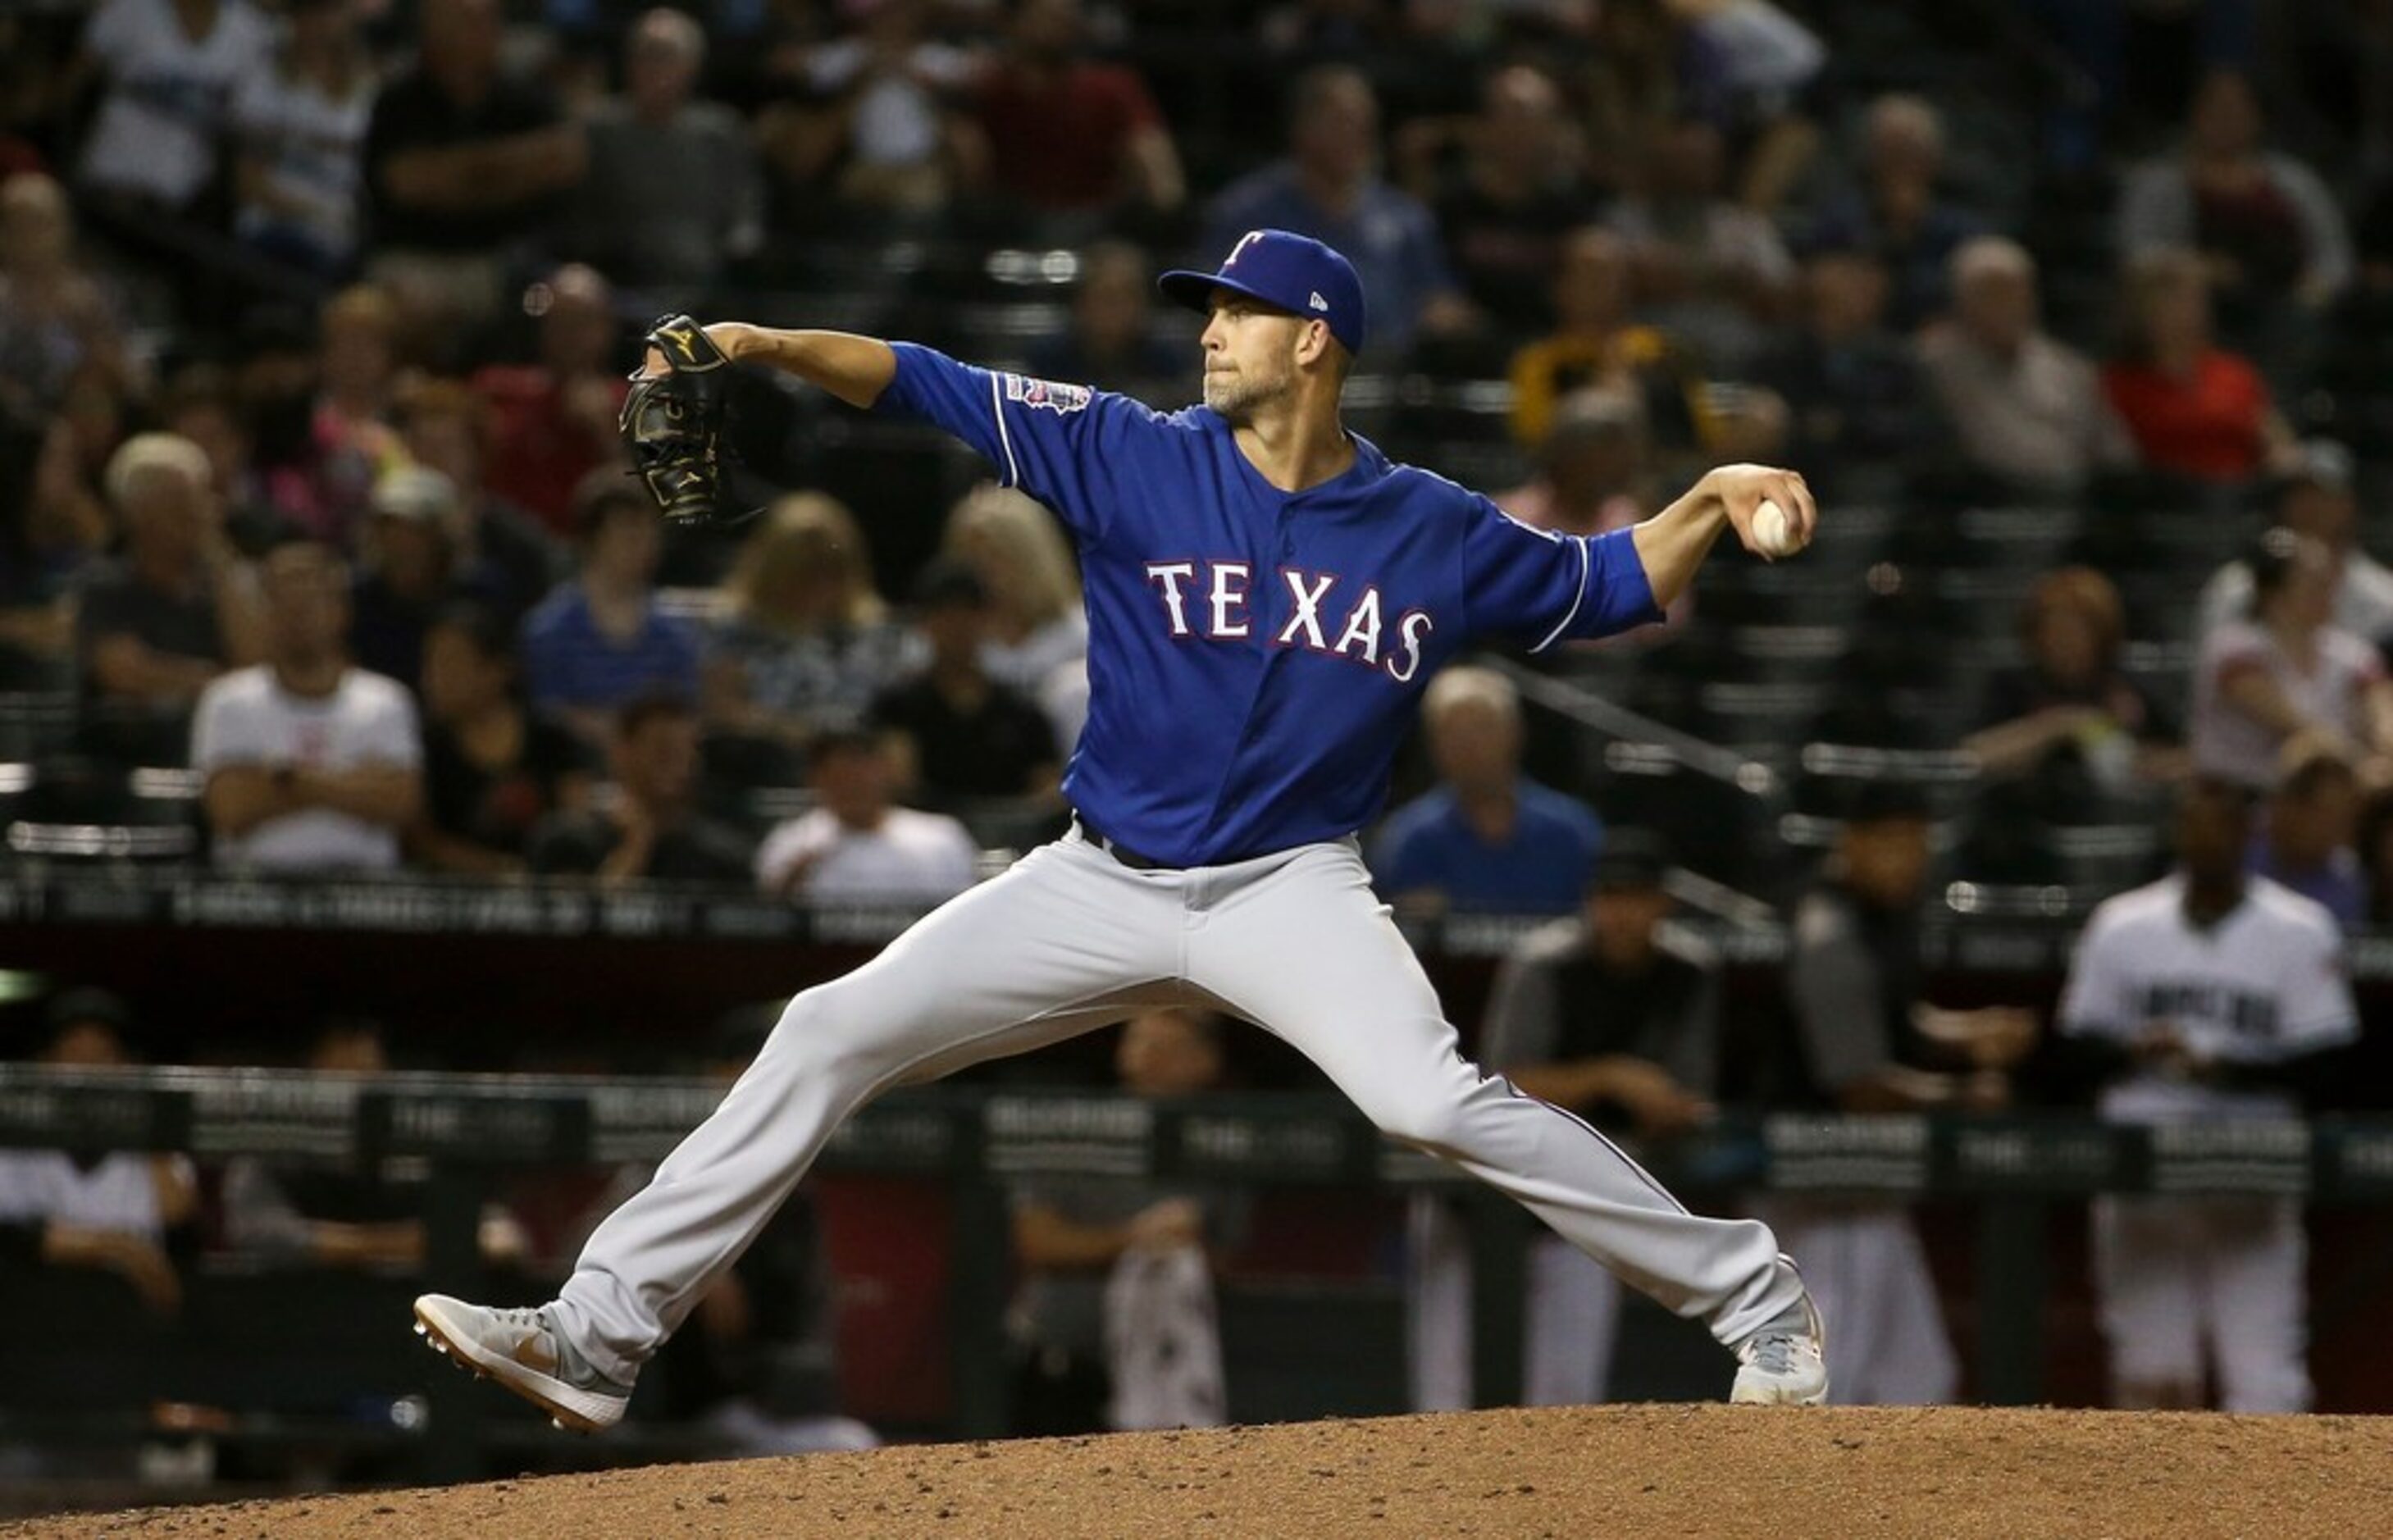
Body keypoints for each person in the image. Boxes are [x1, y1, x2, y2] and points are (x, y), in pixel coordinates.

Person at [412, 226, 1830, 1433]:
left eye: (1234, 310)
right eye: (1203, 308)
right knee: (827, 1027)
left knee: (1428, 1102)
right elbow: (919, 379)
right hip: (1097, 878)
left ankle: (1759, 1306)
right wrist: (760, 340)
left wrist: (1710, 495)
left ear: (1316, 340)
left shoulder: (1428, 525)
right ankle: (595, 1334)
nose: (1208, 330)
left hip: (1289, 889)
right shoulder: (1126, 450)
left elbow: (1601, 583)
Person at [2057, 777, 2358, 1412]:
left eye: (2222, 825)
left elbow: (2332, 1067)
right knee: (2152, 1374)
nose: (2207, 837)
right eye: (2195, 823)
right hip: (2142, 1171)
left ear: (2248, 833)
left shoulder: (2299, 928)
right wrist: (2136, 1051)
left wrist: (2226, 1067)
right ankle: (2154, 1515)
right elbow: (2068, 1055)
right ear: (2176, 831)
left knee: (2264, 1381)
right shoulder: (2121, 924)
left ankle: (2269, 1515)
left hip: (2252, 1167)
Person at [1411, 831, 1720, 1411]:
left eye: (1635, 896)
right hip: (1478, 1199)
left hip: (1580, 1203)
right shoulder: (1546, 964)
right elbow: (1505, 1085)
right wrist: (1613, 1077)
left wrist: (1667, 1110)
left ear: (1663, 903)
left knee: (1567, 1401)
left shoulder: (1688, 973)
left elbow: (1688, 1094)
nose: (1621, 911)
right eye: (1609, 896)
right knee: (1446, 1397)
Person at [1773, 781, 2038, 1405]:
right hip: (1823, 1190)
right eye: (1893, 845)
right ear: (1852, 845)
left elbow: (1895, 1019)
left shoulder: (1876, 918)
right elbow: (1861, 1087)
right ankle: (1788, 1501)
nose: (1909, 861)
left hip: (1868, 1192)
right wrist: (1961, 1096)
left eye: (1918, 846)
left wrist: (1970, 1034)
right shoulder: (1830, 934)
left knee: (1917, 1381)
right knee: (1833, 1383)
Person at [1008, 1007, 1235, 1435]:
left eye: (1167, 1046)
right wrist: (1133, 1237)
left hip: (1170, 1366)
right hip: (1067, 1362)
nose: (1148, 1056)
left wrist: (1185, 1244)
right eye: (1140, 1041)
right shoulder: (1077, 1129)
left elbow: (1230, 1262)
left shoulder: (1221, 1143)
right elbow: (1036, 1241)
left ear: (1206, 1061)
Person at [1200, 68, 1473, 358]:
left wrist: (1443, 318)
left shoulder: (1405, 219)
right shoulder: (1248, 214)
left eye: (1365, 124)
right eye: (1341, 123)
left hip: (1392, 382)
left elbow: (1440, 299)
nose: (1357, 135)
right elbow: (1216, 307)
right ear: (1301, 128)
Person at [360, 0, 586, 341]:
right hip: (416, 257)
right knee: (395, 310)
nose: (482, 32)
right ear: (432, 31)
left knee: (575, 300)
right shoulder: (399, 99)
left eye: (488, 21)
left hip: (508, 260)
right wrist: (512, 171)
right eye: (466, 22)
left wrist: (456, 174)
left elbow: (566, 159)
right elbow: (407, 184)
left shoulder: (527, 95)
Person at [193, 540, 425, 873]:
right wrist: (355, 783)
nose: (297, 614)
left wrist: (286, 778)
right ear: (265, 612)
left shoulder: (387, 701)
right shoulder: (228, 700)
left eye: (309, 600)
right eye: (283, 600)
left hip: (364, 895)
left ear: (341, 610)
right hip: (252, 895)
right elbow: (229, 809)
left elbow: (400, 804)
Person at [222, 1017, 528, 1269]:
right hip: (296, 1322)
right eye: (340, 1076)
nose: (355, 1087)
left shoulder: (411, 1154)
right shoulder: (274, 1150)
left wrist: (463, 1240)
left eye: (367, 1074)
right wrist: (412, 1243)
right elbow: (262, 1237)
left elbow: (504, 1238)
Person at [0, 989, 197, 1319]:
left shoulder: (149, 1145)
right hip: (30, 1315)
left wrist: (144, 1120)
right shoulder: (14, 1139)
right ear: (44, 1064)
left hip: (126, 1318)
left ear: (127, 1067)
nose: (87, 1070)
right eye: (73, 1054)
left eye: (103, 1056)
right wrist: (117, 1248)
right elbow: (11, 1237)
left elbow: (175, 1214)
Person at [75, 433, 265, 763]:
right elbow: (123, 672)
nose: (197, 513)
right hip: (127, 756)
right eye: (179, 502)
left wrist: (219, 558)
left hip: (220, 751)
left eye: (201, 498)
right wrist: (218, 683)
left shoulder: (224, 586)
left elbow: (257, 664)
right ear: (137, 515)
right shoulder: (107, 586)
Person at [1370, 664, 1604, 918]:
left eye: (1481, 728)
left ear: (1515, 732)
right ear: (1433, 744)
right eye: (1453, 733)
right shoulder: (1409, 838)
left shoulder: (1571, 832)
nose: (1469, 746)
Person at [568, 9, 763, 313]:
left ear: (692, 66)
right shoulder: (599, 129)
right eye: (644, 55)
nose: (652, 67)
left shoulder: (720, 131)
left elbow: (744, 211)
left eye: (665, 56)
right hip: (621, 285)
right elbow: (578, 216)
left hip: (708, 283)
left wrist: (740, 254)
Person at [702, 492, 925, 754]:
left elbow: (898, 725)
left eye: (832, 569)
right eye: (804, 570)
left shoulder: (881, 639)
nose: (819, 585)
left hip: (858, 770)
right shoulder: (731, 635)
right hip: (766, 766)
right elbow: (726, 715)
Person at [1916, 237, 2135, 500]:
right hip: (1985, 505)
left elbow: (2114, 451)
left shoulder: (2068, 367)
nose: (2006, 304)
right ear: (1961, 301)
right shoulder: (1935, 364)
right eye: (1991, 293)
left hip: (2072, 503)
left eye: (2015, 291)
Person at [2190, 528, 2393, 791]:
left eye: (2328, 581)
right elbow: (2295, 726)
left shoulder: (2352, 653)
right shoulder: (2234, 646)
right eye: (2312, 581)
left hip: (2335, 794)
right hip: (2239, 801)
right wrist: (2359, 762)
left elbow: (2383, 714)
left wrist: (2385, 753)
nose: (2328, 590)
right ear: (2273, 593)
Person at [409, 603, 592, 877]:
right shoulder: (423, 746)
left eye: (449, 662)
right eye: (429, 662)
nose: (432, 678)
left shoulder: (552, 739)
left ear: (498, 670)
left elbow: (578, 819)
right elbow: (421, 841)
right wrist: (498, 871)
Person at [522, 474, 704, 745]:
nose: (644, 545)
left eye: (649, 533)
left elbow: (686, 714)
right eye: (630, 533)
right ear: (591, 541)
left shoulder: (674, 634)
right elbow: (549, 716)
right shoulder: (549, 630)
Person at [1962, 566, 2180, 793]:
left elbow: (2186, 761)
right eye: (2056, 630)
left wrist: (2138, 754)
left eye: (2080, 631)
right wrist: (2061, 724)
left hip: (2109, 816)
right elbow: (1976, 757)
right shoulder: (2012, 684)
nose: (2067, 642)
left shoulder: (2125, 687)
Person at [970, 0, 1184, 227]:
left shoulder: (1110, 87)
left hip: (1095, 221)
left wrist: (1164, 213)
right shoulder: (990, 89)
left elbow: (1154, 158)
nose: (1061, 25)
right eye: (1048, 17)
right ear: (1012, 23)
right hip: (1011, 224)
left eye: (1066, 16)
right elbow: (973, 169)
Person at [869, 557, 1060, 809]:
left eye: (967, 614)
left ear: (986, 620)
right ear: (924, 623)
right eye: (945, 615)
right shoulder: (897, 708)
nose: (957, 627)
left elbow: (1046, 790)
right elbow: (898, 786)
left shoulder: (1021, 712)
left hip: (1011, 839)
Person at [2099, 248, 2296, 485]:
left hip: (2242, 500)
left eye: (2194, 300)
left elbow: (2275, 437)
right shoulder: (2116, 384)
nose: (2186, 313)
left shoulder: (2234, 373)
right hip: (2161, 507)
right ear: (2140, 311)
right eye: (2170, 301)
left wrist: (2283, 460)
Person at [1798, 93, 1985, 334]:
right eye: (1889, 152)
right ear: (1870, 157)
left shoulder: (1959, 227)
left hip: (1941, 337)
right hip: (1853, 333)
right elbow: (1821, 283)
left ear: (1932, 159)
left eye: (1910, 152)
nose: (1900, 165)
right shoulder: (1843, 217)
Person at [68, 0, 272, 216]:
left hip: (181, 200)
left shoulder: (251, 31)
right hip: (107, 178)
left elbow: (251, 123)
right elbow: (73, 79)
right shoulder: (133, 7)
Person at [472, 264, 630, 540]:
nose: (569, 336)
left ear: (606, 329)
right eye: (558, 322)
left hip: (587, 550)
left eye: (581, 322)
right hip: (501, 543)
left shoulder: (631, 403)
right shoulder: (498, 391)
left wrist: (604, 434)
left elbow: (650, 500)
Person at [526, 692, 749, 886]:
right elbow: (572, 921)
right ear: (621, 752)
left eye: (688, 752)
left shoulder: (722, 855)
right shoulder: (570, 841)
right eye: (663, 749)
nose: (680, 765)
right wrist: (636, 845)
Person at [2195, 442, 2393, 649]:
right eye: (2298, 494)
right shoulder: (2236, 588)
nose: (2308, 506)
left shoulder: (2383, 596)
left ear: (2349, 505)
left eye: (2322, 496)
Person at [753, 723, 978, 904]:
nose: (852, 786)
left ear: (886, 771)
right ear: (815, 779)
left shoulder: (942, 836)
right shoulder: (791, 842)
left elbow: (966, 917)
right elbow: (763, 922)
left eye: (861, 773)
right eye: (840, 776)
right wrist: (792, 880)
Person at [229, 0, 376, 279]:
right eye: (309, 14)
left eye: (330, 13)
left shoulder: (366, 88)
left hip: (344, 232)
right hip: (275, 227)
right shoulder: (266, 82)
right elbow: (248, 183)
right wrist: (320, 213)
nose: (320, 25)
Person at [939, 485, 1088, 710]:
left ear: (1032, 557)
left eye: (995, 554)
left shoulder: (1083, 635)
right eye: (969, 556)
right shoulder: (954, 642)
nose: (982, 568)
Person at [2248, 736, 2366, 930]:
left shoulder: (2348, 882)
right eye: (2330, 816)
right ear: (2288, 807)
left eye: (2348, 817)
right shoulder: (2231, 855)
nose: (2342, 831)